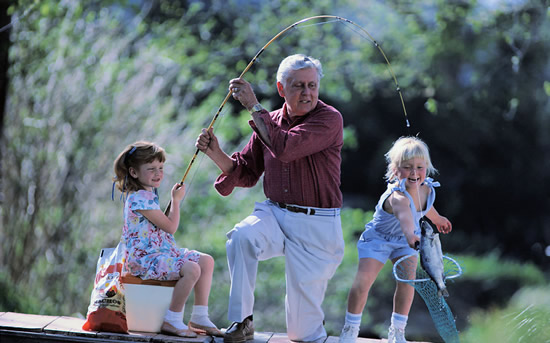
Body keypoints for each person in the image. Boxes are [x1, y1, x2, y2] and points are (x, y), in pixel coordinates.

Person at [195, 54, 345, 343]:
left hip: (317, 227)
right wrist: (215, 152)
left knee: (302, 334)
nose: (307, 92)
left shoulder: (329, 119)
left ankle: (308, 328)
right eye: (298, 85)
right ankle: (242, 321)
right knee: (241, 236)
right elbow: (247, 172)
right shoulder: (270, 121)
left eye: (312, 85)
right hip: (275, 214)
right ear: (281, 88)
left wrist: (252, 105)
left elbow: (286, 148)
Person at [338, 136, 453, 343]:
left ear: (427, 168)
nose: (414, 172)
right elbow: (407, 219)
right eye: (407, 167)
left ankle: (397, 332)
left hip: (406, 242)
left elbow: (425, 207)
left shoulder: (425, 189)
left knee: (407, 283)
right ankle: (350, 329)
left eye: (419, 167)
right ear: (395, 170)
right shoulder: (397, 197)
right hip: (379, 240)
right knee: (363, 282)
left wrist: (438, 219)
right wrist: (412, 237)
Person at [113, 141, 223, 338]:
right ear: (134, 172)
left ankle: (200, 315)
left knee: (206, 261)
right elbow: (171, 227)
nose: (158, 173)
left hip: (160, 254)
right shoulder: (139, 198)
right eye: (151, 169)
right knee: (192, 269)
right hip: (144, 261)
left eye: (161, 168)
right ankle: (172, 319)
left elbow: (163, 225)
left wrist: (173, 201)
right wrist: (176, 201)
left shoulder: (147, 195)